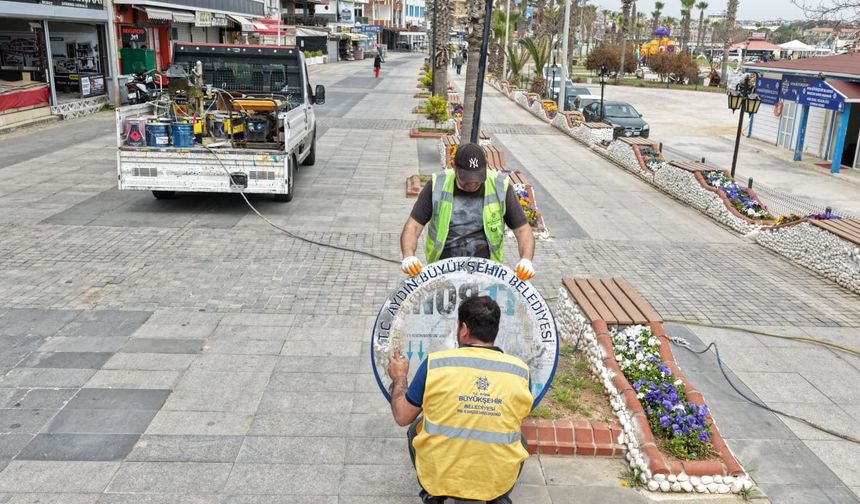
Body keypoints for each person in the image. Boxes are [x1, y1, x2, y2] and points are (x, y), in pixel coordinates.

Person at [388, 295, 532, 504]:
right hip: (496, 480)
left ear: (463, 329)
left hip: (440, 477)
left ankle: (433, 494)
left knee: (414, 429)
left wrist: (399, 377)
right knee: (521, 439)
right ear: (494, 330)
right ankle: (498, 496)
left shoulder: (435, 364)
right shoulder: (520, 371)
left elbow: (402, 416)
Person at [400, 143, 536, 281]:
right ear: (453, 166)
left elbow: (522, 230)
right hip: (442, 271)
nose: (472, 184)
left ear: (485, 166)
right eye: (466, 179)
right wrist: (408, 255)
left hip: (487, 273)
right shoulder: (437, 185)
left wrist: (526, 260)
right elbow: (413, 226)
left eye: (477, 179)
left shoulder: (501, 187)